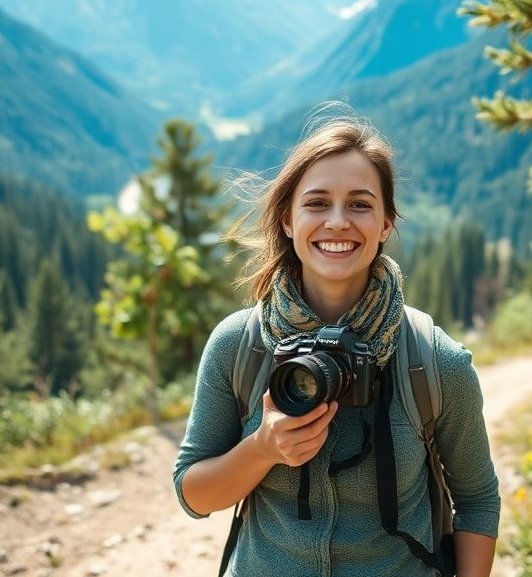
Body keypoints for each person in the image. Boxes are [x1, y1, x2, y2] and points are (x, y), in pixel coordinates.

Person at [172, 117, 501, 577]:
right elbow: (193, 495)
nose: (338, 222)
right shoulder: (240, 345)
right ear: (288, 220)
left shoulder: (432, 361)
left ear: (386, 223)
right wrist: (262, 449)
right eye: (317, 203)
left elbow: (477, 500)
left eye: (360, 205)